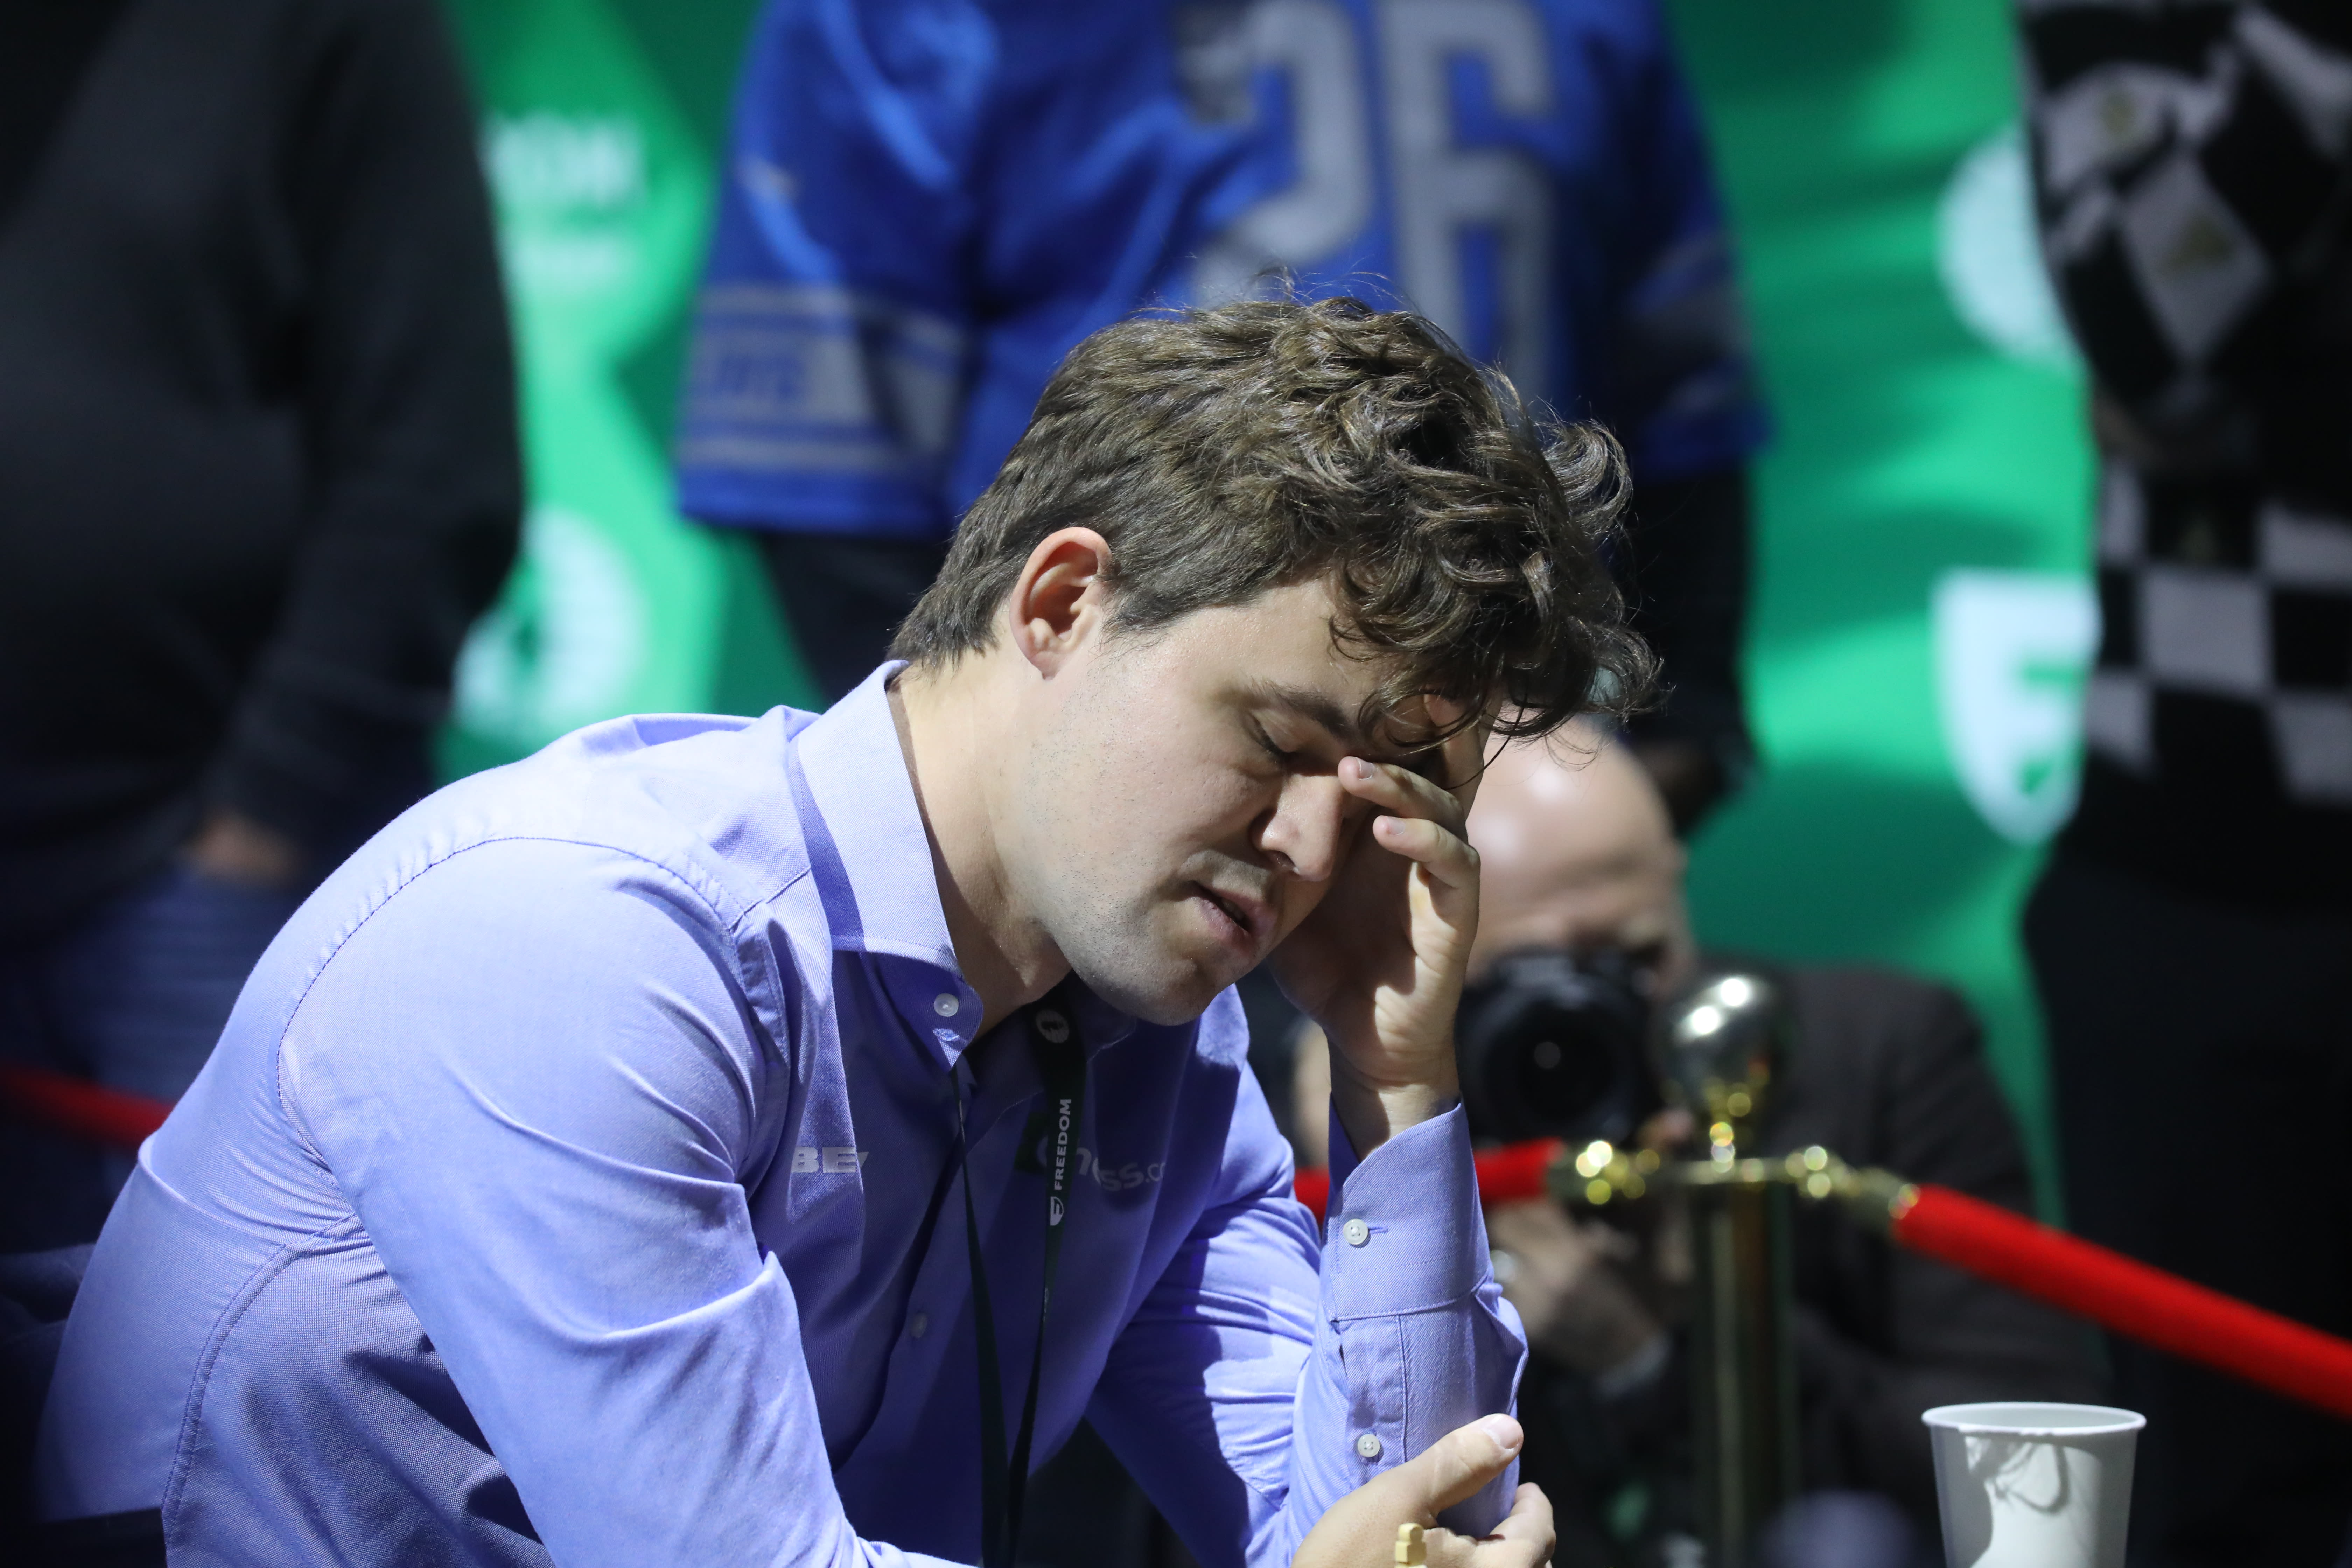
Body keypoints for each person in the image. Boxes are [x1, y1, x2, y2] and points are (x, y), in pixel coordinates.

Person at [34, 299, 1643, 1568]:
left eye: (1377, 806)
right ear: (1062, 605)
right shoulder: (587, 933)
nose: (1309, 852)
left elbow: (1401, 1528)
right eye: (1281, 742)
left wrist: (1394, 1081)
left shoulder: (1162, 1044)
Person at [673, 0, 1765, 828]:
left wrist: (1653, 758)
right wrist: (1029, 819)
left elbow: (1675, 421)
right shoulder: (908, 21)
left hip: (1513, 787)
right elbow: (837, 478)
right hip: (1123, 793)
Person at [1295, 728, 2100, 1568]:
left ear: (1676, 883)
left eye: (1634, 961)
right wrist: (1379, 1187)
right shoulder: (1357, 1101)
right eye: (1519, 985)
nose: (1582, 1022)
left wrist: (1702, 1311)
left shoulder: (1865, 1058)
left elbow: (2033, 1460)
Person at [0, 0, 522, 1250]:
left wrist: (263, 819)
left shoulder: (322, 28)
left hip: (194, 890)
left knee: (203, 1362)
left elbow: (434, 464)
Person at [2011, 4, 2352, 1562]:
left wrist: (2252, 400)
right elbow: (2146, 319)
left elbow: (2177, 381)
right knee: (2214, 1502)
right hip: (2202, 885)